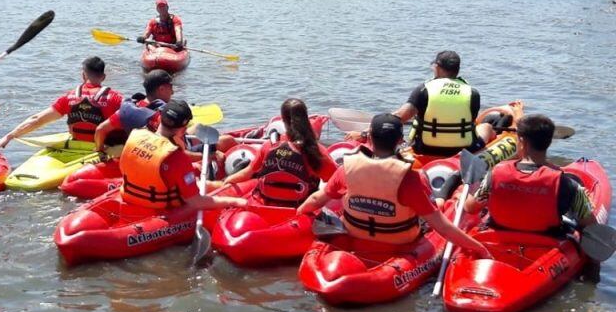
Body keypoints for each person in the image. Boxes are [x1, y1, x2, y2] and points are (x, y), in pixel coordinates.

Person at [297, 113, 490, 257]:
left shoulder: (345, 169)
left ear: (370, 138)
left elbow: (316, 199)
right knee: (440, 206)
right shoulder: (410, 178)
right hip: (399, 241)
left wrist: (299, 215)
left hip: (357, 235)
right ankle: (450, 185)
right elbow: (442, 227)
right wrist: (478, 248)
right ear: (400, 141)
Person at [464, 114, 595, 231]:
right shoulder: (567, 184)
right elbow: (590, 226)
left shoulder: (495, 174)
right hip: (546, 244)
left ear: (521, 141)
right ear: (549, 142)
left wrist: (471, 190)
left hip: (499, 240)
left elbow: (470, 208)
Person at [119, 99, 247, 212]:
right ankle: (226, 184)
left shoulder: (137, 135)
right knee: (214, 184)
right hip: (161, 207)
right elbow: (196, 202)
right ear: (183, 129)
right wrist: (233, 201)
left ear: (160, 118)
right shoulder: (176, 158)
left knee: (196, 169)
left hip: (132, 196)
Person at [213, 98, 337, 207]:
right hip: (300, 205)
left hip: (266, 203)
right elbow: (336, 181)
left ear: (283, 120)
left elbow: (248, 172)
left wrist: (228, 181)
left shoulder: (269, 146)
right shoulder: (315, 150)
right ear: (305, 119)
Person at [388, 51, 496, 157]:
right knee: (486, 127)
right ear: (457, 70)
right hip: (465, 150)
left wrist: (378, 124)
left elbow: (399, 117)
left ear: (438, 68)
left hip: (425, 149)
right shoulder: (472, 93)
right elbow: (471, 119)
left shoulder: (424, 90)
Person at [0, 57, 123, 148]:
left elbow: (37, 119)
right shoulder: (115, 98)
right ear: (103, 77)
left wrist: (9, 136)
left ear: (83, 75)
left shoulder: (69, 97)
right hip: (101, 147)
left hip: (75, 144)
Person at [93, 69, 172, 151]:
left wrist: (100, 150)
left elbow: (100, 130)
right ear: (161, 89)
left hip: (130, 155)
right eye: (171, 88)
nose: (172, 92)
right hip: (153, 158)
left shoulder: (127, 110)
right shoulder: (165, 116)